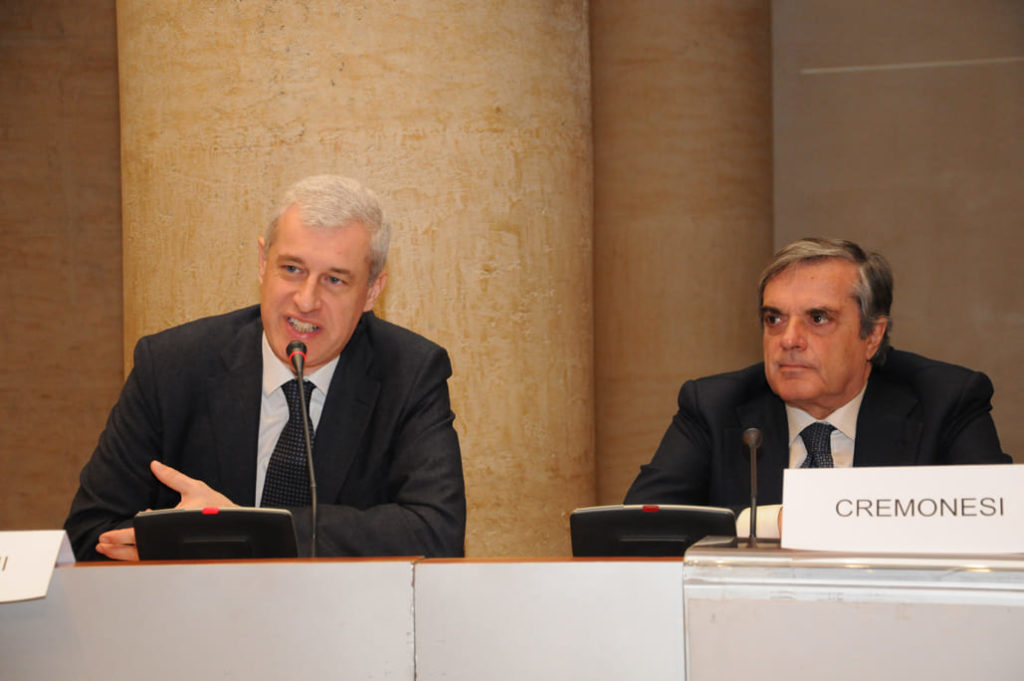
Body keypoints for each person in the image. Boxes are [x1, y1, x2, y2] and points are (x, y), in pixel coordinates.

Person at [65, 175, 466, 560]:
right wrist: (189, 545)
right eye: (292, 269)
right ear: (262, 262)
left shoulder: (409, 373)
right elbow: (90, 533)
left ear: (372, 291)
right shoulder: (172, 366)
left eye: (335, 280)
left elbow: (436, 533)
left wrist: (240, 532)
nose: (306, 301)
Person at [624, 237, 1009, 533]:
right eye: (774, 319)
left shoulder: (945, 400)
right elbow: (637, 530)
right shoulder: (713, 405)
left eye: (818, 318)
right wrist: (775, 523)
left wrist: (817, 518)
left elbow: (998, 528)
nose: (789, 339)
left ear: (872, 336)